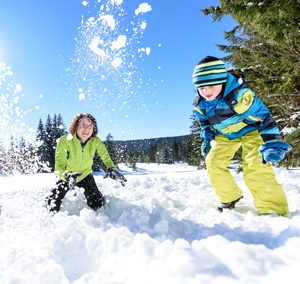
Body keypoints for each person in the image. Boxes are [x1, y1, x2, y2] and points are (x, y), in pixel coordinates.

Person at [192, 56, 292, 215]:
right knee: (212, 161)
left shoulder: (239, 96)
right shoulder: (201, 105)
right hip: (225, 136)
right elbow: (205, 123)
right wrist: (207, 138)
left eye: (210, 85)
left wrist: (273, 142)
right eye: (201, 87)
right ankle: (229, 197)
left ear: (222, 80)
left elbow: (264, 117)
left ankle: (273, 210)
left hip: (251, 131)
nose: (206, 91)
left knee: (255, 167)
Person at [46, 113, 126, 213]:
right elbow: (59, 166)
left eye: (90, 126)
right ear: (75, 127)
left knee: (97, 203)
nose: (86, 129)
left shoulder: (95, 141)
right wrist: (66, 176)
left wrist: (111, 168)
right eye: (82, 125)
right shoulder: (65, 140)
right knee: (52, 203)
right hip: (67, 176)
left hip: (85, 175)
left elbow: (105, 156)